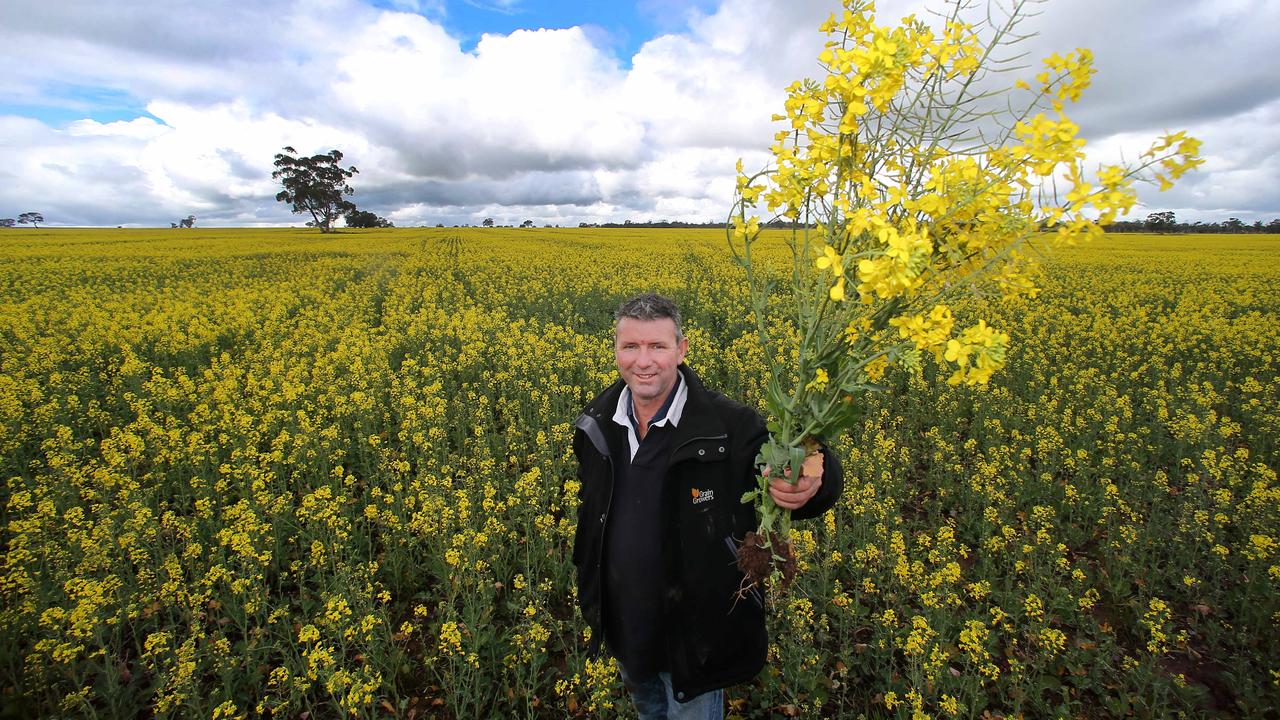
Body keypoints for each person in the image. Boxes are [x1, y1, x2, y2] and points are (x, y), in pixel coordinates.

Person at [572, 293, 843, 720]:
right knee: (648, 710)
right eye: (631, 346)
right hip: (625, 627)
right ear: (616, 350)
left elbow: (800, 455)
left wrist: (812, 480)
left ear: (681, 350)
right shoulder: (596, 422)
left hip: (693, 639)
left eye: (657, 347)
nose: (643, 361)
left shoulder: (729, 426)